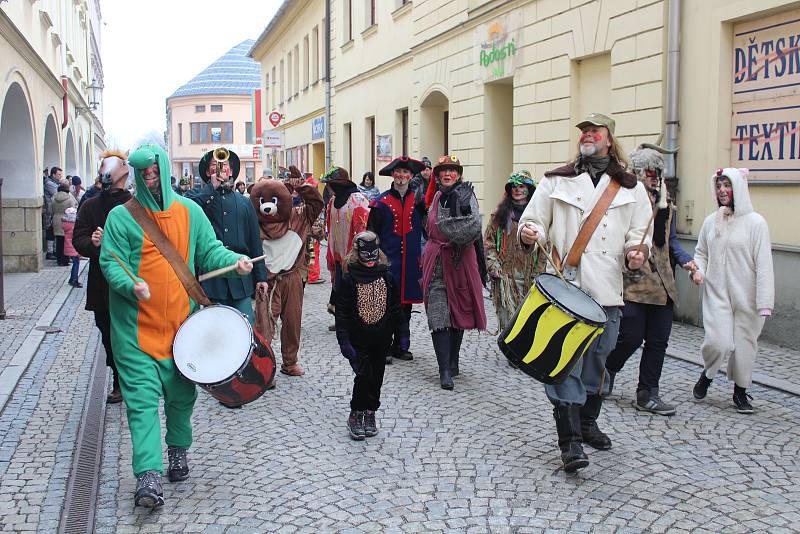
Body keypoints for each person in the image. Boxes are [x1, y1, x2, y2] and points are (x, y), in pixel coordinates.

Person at [99, 143, 252, 508]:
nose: (150, 179)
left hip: (181, 330)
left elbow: (210, 251)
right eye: (144, 174)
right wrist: (129, 284)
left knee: (182, 399)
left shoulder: (189, 212)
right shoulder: (122, 218)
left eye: (154, 172)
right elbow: (110, 260)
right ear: (136, 175)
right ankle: (148, 475)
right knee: (141, 403)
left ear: (163, 169)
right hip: (134, 331)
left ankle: (178, 452)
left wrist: (236, 261)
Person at [518, 112, 651, 473]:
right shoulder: (556, 180)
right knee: (565, 365)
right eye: (584, 131)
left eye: (595, 131)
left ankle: (588, 422)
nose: (588, 135)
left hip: (606, 290)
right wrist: (530, 233)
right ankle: (570, 443)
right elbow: (532, 219)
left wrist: (637, 253)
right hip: (565, 287)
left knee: (599, 363)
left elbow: (639, 234)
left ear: (609, 139)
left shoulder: (630, 187)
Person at [604, 145, 696, 416]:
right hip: (633, 282)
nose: (654, 178)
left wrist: (686, 261)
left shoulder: (666, 206)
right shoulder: (624, 202)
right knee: (631, 336)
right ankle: (606, 369)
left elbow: (671, 242)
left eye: (657, 173)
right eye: (649, 173)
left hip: (663, 285)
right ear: (638, 173)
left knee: (658, 341)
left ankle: (647, 393)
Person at [690, 167, 774, 414]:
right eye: (718, 186)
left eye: (727, 185)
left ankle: (740, 391)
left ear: (738, 188)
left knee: (745, 346)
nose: (722, 190)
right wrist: (699, 271)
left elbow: (764, 265)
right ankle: (707, 373)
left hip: (748, 298)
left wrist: (764, 301)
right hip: (718, 294)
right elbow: (701, 253)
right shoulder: (710, 221)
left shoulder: (756, 223)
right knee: (718, 342)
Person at [422, 155, 487, 390]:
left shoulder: (467, 195)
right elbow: (429, 227)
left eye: (452, 171)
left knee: (458, 311)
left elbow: (472, 229)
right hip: (437, 263)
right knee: (438, 314)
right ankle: (444, 370)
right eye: (443, 171)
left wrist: (449, 227)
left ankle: (453, 360)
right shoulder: (437, 197)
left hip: (460, 262)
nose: (447, 174)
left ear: (458, 175)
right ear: (438, 175)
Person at [73, 149, 133, 404]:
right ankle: (118, 374)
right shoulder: (90, 205)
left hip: (131, 279)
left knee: (128, 333)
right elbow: (79, 239)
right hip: (101, 282)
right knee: (106, 331)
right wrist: (92, 242)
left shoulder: (135, 204)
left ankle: (126, 382)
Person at [251, 177, 324, 377]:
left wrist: (301, 186)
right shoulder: (253, 222)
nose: (267, 207)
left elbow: (317, 203)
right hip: (267, 280)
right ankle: (264, 369)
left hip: (292, 276)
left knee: (292, 321)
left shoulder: (298, 217)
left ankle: (290, 362)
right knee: (264, 323)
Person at [184, 149, 266, 326]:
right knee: (216, 331)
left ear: (231, 171)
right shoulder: (197, 199)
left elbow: (254, 241)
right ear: (207, 172)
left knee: (245, 328)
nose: (220, 169)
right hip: (212, 281)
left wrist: (260, 277)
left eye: (224, 165)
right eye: (214, 165)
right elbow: (188, 214)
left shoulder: (244, 202)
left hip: (241, 280)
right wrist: (210, 190)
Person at [336, 231, 405, 440]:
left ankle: (370, 412)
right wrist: (344, 340)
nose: (369, 263)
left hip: (381, 339)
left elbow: (396, 308)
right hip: (359, 340)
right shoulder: (349, 279)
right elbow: (342, 312)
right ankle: (356, 413)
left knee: (377, 378)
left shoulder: (386, 276)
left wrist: (402, 333)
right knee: (363, 376)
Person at [367, 156, 426, 364]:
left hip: (411, 263)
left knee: (406, 307)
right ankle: (383, 347)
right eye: (398, 172)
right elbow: (370, 235)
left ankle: (401, 346)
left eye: (405, 173)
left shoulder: (419, 202)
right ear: (393, 175)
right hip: (387, 263)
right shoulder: (380, 203)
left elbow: (430, 227)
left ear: (411, 176)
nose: (401, 176)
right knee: (385, 307)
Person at [484, 170, 545, 334]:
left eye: (522, 186)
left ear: (529, 189)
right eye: (514, 187)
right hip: (505, 277)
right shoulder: (499, 216)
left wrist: (538, 275)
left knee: (527, 321)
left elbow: (545, 249)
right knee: (508, 321)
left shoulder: (538, 218)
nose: (517, 190)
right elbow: (489, 242)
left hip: (529, 279)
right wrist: (493, 265)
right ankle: (511, 356)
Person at [324, 166, 370, 322]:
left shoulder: (357, 200)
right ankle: (341, 319)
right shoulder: (332, 201)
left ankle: (353, 320)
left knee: (352, 287)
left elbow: (364, 227)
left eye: (330, 184)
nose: (328, 187)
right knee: (339, 286)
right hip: (337, 253)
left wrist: (359, 251)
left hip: (352, 254)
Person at [52, 182, 77, 266]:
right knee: (66, 241)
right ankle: (65, 259)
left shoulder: (53, 198)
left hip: (56, 219)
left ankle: (59, 259)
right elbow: (73, 208)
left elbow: (50, 209)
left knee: (59, 241)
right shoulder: (70, 198)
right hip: (66, 220)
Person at [43, 166, 63, 259]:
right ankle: (50, 252)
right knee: (50, 231)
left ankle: (53, 251)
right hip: (50, 211)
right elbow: (57, 194)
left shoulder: (55, 183)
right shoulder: (49, 183)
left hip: (54, 210)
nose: (60, 176)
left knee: (53, 232)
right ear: (53, 174)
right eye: (58, 174)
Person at [61, 207, 81, 287]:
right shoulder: (74, 226)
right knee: (76, 263)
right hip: (73, 247)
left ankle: (71, 279)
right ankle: (74, 280)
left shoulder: (65, 224)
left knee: (75, 263)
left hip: (68, 246)